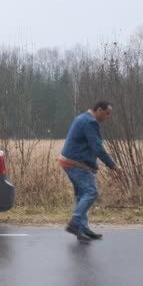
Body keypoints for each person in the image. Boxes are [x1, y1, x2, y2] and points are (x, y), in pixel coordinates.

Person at [59, 100, 122, 243]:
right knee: (91, 192)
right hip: (77, 163)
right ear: (99, 110)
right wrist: (113, 165)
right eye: (107, 113)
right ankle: (75, 223)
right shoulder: (89, 122)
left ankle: (82, 228)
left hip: (69, 161)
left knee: (82, 195)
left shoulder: (81, 118)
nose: (107, 117)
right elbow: (98, 148)